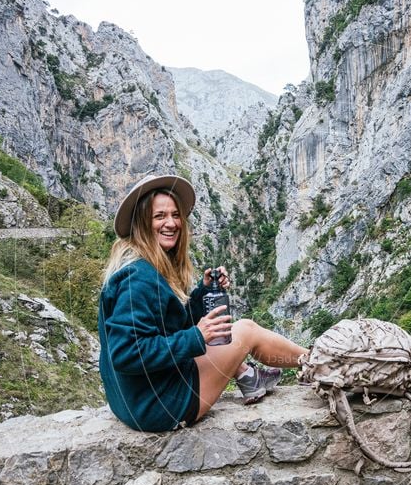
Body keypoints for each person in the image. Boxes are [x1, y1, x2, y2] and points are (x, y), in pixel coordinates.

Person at [98, 174, 308, 432]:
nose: (172, 223)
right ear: (142, 223)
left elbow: (165, 327)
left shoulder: (139, 268)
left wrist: (201, 294)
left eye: (176, 215)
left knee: (229, 334)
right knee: (246, 331)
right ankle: (320, 364)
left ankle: (256, 375)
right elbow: (127, 354)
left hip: (138, 400)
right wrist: (197, 335)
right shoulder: (138, 279)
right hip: (158, 406)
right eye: (159, 216)